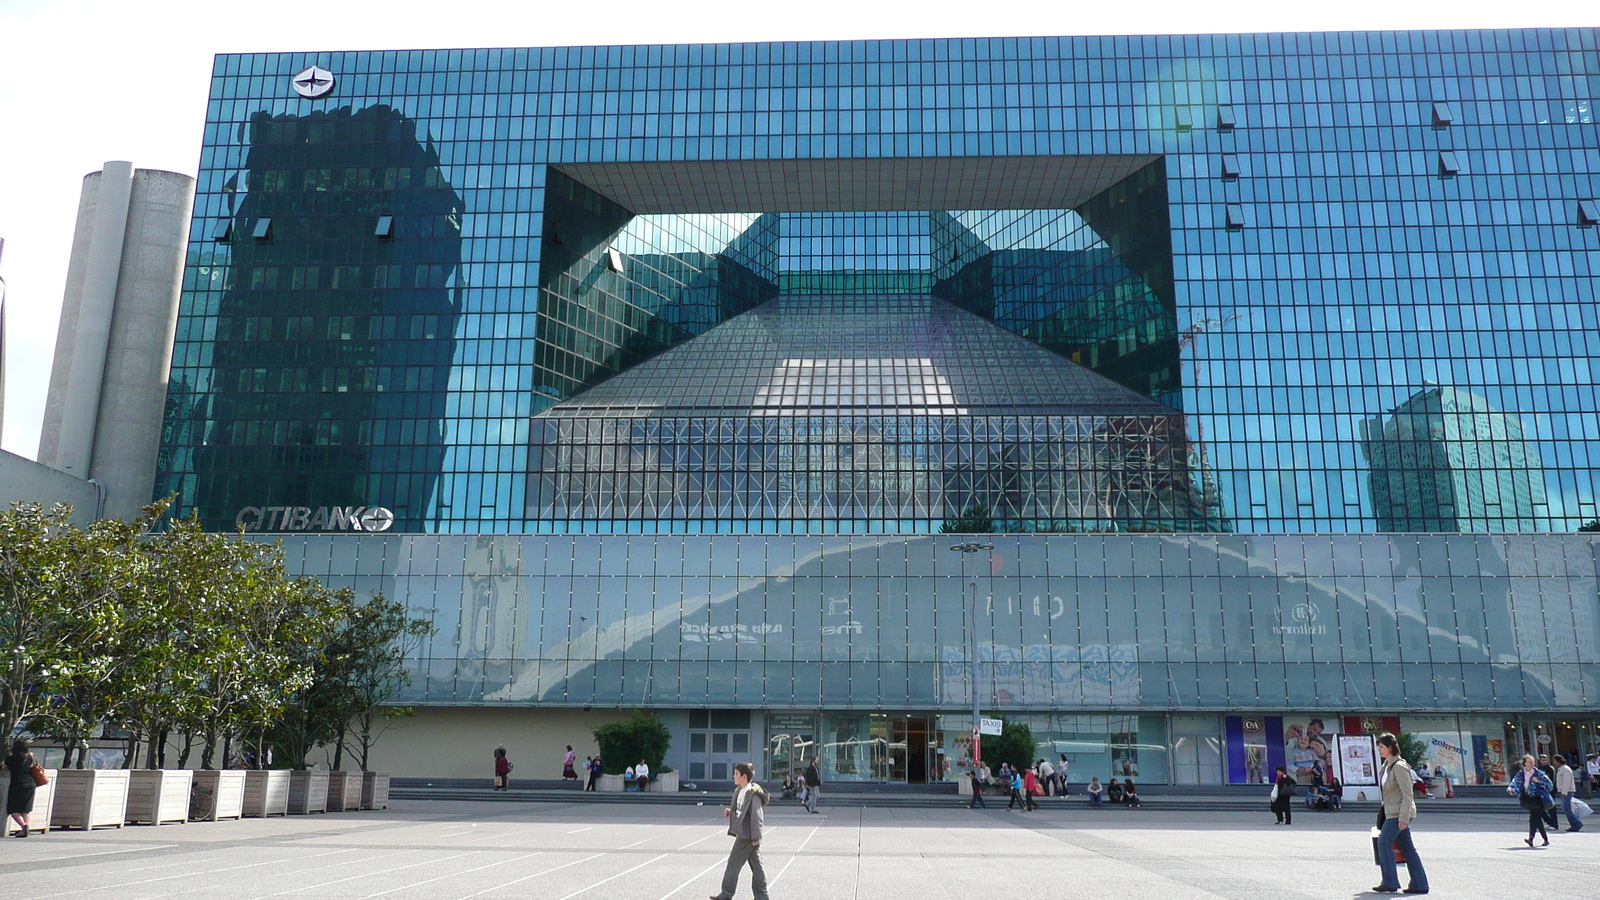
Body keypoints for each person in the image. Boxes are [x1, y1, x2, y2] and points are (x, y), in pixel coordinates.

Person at [1373, 731, 1429, 895]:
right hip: (1391, 812)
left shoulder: (1399, 766)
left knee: (1383, 842)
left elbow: (1407, 794)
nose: (1379, 750)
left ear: (1390, 748)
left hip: (1399, 813)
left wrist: (1404, 817)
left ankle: (1390, 881)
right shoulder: (1386, 766)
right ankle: (1419, 884)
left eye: (1382, 747)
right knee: (1407, 847)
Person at [711, 761, 768, 900]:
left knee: (733, 864)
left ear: (744, 776)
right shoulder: (740, 791)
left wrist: (756, 838)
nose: (733, 776)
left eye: (736, 773)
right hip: (747, 835)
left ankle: (726, 894)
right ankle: (762, 897)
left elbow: (757, 817)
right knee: (757, 868)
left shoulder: (752, 794)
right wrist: (732, 812)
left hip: (747, 836)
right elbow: (743, 811)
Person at [1510, 753, 1555, 847]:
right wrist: (1512, 790)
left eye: (1533, 762)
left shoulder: (1538, 773)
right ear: (1525, 763)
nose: (1532, 764)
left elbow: (1550, 785)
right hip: (1527, 798)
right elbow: (1515, 783)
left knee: (1533, 818)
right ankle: (1545, 839)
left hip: (1537, 799)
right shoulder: (1521, 773)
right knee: (1537, 819)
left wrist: (1539, 781)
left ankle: (1531, 839)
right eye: (1529, 762)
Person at [5, 739, 39, 838]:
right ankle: (27, 826)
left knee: (13, 809)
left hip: (17, 784)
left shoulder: (10, 759)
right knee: (26, 809)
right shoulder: (30, 757)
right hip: (31, 783)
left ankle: (24, 827)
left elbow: (6, 767)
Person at [1554, 755, 1582, 832]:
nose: (1554, 763)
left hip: (1567, 791)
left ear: (1558, 761)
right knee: (1566, 808)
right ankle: (1574, 824)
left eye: (1555, 761)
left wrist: (1564, 792)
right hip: (1563, 791)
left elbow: (1566, 781)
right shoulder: (1561, 769)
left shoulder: (1565, 769)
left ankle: (1576, 823)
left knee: (1565, 807)